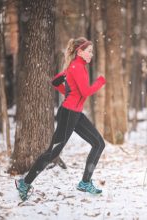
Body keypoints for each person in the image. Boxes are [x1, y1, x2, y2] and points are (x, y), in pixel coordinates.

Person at [15, 37, 106, 201]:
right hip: (69, 114)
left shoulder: (76, 67)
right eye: (90, 51)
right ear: (80, 51)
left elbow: (56, 81)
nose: (92, 54)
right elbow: (85, 92)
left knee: (99, 143)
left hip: (75, 113)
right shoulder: (77, 67)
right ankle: (25, 183)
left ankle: (85, 182)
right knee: (53, 152)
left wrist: (69, 93)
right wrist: (100, 82)